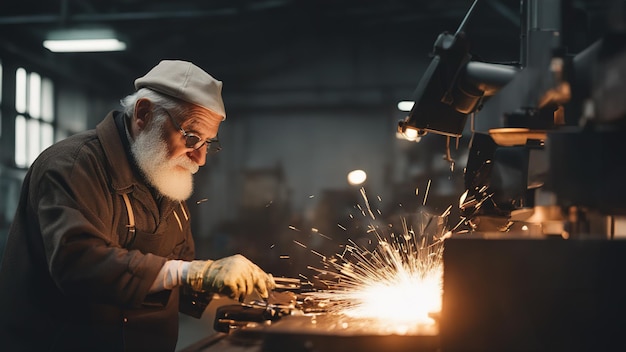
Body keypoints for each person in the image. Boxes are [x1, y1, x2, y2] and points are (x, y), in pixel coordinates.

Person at [0, 60, 275, 351]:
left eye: (208, 143)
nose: (201, 158)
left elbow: (174, 279)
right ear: (144, 114)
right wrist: (193, 273)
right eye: (192, 137)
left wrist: (218, 282)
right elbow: (78, 262)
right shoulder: (73, 165)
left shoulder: (163, 175)